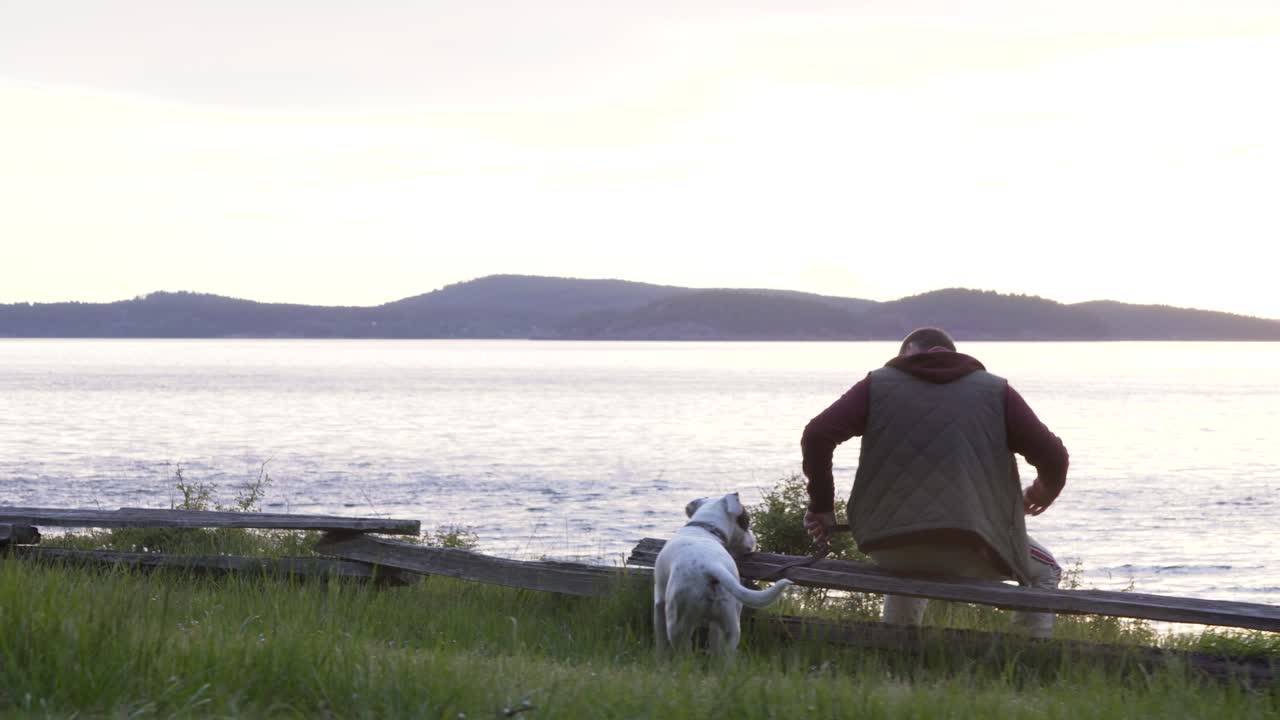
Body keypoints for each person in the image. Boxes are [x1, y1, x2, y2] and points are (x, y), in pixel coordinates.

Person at [801, 327, 1068, 638]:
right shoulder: (996, 391)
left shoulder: (878, 384)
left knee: (904, 558)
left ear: (910, 350)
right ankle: (1027, 661)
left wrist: (822, 508)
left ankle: (896, 656)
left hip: (887, 545)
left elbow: (817, 435)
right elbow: (1053, 456)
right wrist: (1044, 491)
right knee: (1046, 570)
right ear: (950, 352)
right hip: (973, 544)